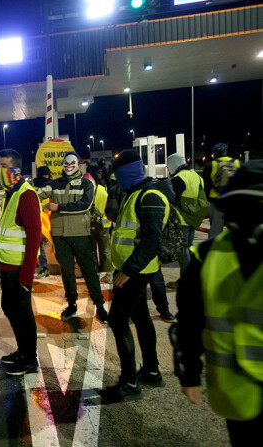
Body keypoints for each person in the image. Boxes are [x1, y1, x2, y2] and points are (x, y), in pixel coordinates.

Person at [171, 160, 262, 446]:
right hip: (236, 393)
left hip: (232, 390)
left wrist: (189, 373)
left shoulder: (207, 256)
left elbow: (187, 321)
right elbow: (189, 321)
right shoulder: (206, 256)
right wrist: (189, 373)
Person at [106, 149, 173, 401]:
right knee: (142, 318)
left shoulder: (151, 195)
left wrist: (129, 270)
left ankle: (130, 382)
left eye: (119, 174)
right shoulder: (133, 192)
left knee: (118, 321)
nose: (117, 180)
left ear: (129, 172)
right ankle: (152, 370)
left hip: (136, 271)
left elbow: (151, 241)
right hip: (131, 268)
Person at [37, 152, 108, 323]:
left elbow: (85, 205)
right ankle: (72, 304)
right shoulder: (55, 184)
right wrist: (13, 198)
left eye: (72, 162)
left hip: (81, 235)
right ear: (62, 165)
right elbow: (35, 194)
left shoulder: (86, 184)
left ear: (78, 164)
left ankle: (99, 306)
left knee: (89, 272)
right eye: (66, 163)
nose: (68, 166)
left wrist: (58, 207)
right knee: (67, 273)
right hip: (60, 236)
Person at [0, 149, 42, 376]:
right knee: (9, 308)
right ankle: (22, 351)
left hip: (19, 269)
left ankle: (30, 360)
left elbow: (34, 239)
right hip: (7, 267)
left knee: (22, 312)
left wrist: (27, 276)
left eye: (4, 166)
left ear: (16, 169)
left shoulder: (26, 194)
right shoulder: (9, 194)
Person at [166, 152, 210, 287]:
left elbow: (171, 200)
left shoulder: (179, 178)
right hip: (194, 219)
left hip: (182, 220)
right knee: (189, 248)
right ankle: (193, 277)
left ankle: (186, 281)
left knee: (182, 251)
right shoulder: (197, 177)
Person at [202, 143, 240, 239]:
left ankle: (215, 250)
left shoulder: (210, 165)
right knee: (235, 228)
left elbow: (206, 186)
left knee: (215, 229)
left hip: (216, 201)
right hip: (233, 200)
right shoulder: (237, 162)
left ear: (214, 153)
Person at [87, 164, 113, 284]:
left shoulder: (86, 191)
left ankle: (94, 273)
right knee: (105, 250)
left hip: (90, 225)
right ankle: (108, 274)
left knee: (91, 250)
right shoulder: (103, 190)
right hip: (104, 225)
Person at [33, 166, 53, 279]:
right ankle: (40, 266)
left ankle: (42, 267)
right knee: (38, 244)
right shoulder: (51, 187)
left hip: (41, 221)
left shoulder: (37, 187)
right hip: (45, 221)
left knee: (37, 244)